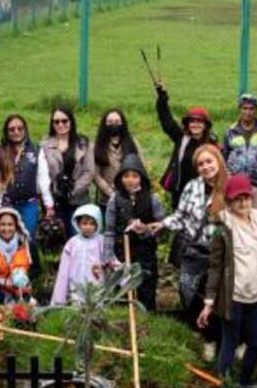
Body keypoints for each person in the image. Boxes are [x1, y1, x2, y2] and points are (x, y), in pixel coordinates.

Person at [151, 145, 227, 351]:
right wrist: (163, 224)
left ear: (218, 160)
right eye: (201, 164)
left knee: (218, 298)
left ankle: (220, 340)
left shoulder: (230, 186)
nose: (205, 167)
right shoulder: (192, 186)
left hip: (220, 254)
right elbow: (181, 216)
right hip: (194, 251)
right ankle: (203, 335)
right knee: (189, 293)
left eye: (209, 161)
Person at [199, 174, 257, 382]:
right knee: (230, 341)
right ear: (229, 202)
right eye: (237, 199)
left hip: (256, 295)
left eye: (246, 198)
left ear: (252, 198)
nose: (243, 203)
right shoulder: (224, 230)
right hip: (233, 297)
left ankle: (243, 382)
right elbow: (215, 267)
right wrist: (209, 303)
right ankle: (224, 385)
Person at [103, 154, 166, 312]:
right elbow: (109, 230)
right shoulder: (114, 199)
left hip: (145, 253)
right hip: (121, 251)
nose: (130, 180)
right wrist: (108, 256)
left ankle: (146, 319)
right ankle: (123, 320)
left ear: (141, 178)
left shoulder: (153, 199)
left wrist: (145, 230)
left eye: (134, 176)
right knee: (122, 290)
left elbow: (162, 228)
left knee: (146, 287)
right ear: (120, 178)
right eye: (126, 176)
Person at [0, 114, 53, 238]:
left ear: (25, 130)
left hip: (29, 204)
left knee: (28, 239)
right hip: (7, 204)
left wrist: (48, 205)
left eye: (20, 128)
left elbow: (43, 179)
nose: (16, 132)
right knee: (7, 239)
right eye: (12, 129)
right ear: (6, 132)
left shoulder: (36, 150)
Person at [154, 82, 216, 209]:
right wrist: (162, 98)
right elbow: (167, 121)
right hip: (180, 191)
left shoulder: (211, 143)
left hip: (202, 192)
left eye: (199, 122)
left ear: (205, 125)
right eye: (192, 121)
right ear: (187, 124)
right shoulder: (181, 138)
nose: (195, 125)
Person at [41, 106, 94, 238]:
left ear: (71, 121)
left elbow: (88, 172)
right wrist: (56, 190)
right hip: (56, 201)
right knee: (58, 239)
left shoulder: (83, 143)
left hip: (78, 200)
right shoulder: (45, 145)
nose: (61, 124)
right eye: (56, 121)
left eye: (64, 121)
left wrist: (72, 191)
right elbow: (43, 173)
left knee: (78, 238)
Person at [221, 93, 257, 204]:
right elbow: (224, 155)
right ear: (239, 109)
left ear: (256, 110)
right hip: (236, 182)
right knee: (236, 214)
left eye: (251, 109)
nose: (248, 112)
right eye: (245, 108)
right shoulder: (230, 131)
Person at [51, 204, 106, 306]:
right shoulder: (72, 243)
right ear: (78, 224)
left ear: (98, 224)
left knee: (96, 309)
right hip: (76, 284)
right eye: (84, 223)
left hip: (95, 283)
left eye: (91, 224)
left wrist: (126, 277)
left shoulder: (101, 242)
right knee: (77, 309)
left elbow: (111, 261)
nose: (88, 227)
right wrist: (59, 298)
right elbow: (63, 271)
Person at [92, 108, 142, 211]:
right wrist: (110, 192)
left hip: (131, 197)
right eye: (110, 122)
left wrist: (132, 189)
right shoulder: (97, 146)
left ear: (123, 124)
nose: (113, 125)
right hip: (106, 199)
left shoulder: (133, 143)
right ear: (104, 124)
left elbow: (141, 166)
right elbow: (95, 174)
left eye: (117, 122)